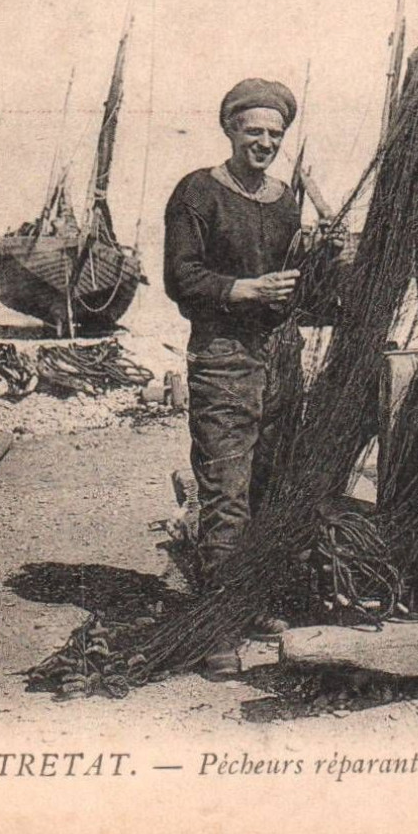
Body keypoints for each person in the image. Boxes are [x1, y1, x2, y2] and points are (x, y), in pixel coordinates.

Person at [164, 78, 310, 597]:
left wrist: (326, 260)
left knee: (270, 486)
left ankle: (252, 602)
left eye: (274, 134)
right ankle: (219, 626)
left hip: (281, 359)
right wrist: (244, 290)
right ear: (230, 129)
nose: (265, 143)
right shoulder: (198, 192)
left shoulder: (285, 200)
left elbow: (300, 288)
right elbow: (181, 278)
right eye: (254, 131)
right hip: (223, 356)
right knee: (227, 492)